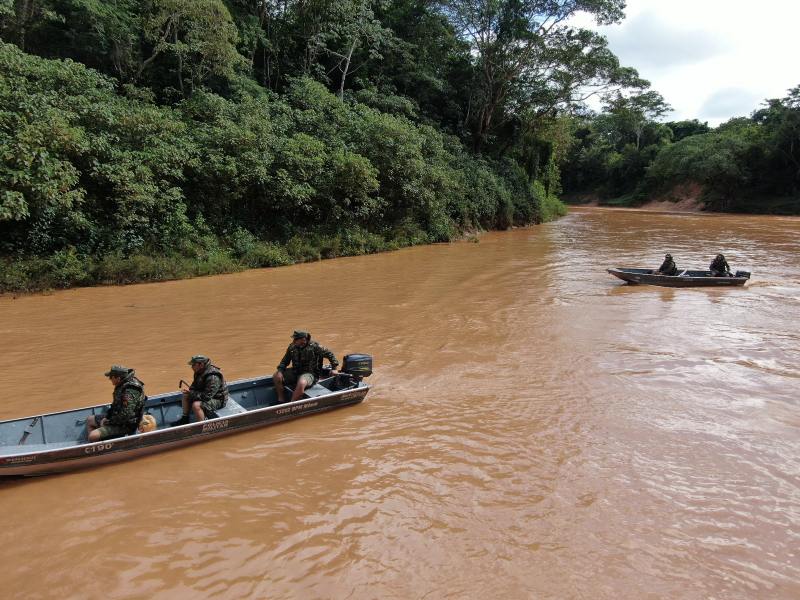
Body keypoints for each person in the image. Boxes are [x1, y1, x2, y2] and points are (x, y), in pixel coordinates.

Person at [273, 331, 339, 403]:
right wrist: (280, 371)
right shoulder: (292, 347)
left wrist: (334, 368)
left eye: (296, 339)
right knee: (276, 376)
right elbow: (284, 361)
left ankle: (291, 404)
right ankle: (281, 400)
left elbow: (330, 354)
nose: (294, 340)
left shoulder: (315, 347)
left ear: (303, 340)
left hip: (310, 373)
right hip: (296, 371)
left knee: (301, 383)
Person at [86, 366, 146, 442]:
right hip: (117, 418)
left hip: (127, 424)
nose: (109, 379)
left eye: (111, 377)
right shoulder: (121, 384)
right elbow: (115, 405)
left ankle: (98, 447)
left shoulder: (129, 390)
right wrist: (107, 417)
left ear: (118, 378)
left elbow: (126, 415)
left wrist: (108, 422)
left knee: (92, 436)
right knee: (90, 420)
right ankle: (98, 443)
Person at [170, 355, 229, 426]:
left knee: (196, 405)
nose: (192, 367)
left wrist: (192, 393)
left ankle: (201, 426)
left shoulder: (213, 377)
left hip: (218, 399)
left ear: (201, 364)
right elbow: (194, 386)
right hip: (204, 394)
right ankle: (185, 419)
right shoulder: (199, 371)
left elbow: (207, 396)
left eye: (193, 365)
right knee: (186, 395)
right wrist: (190, 392)